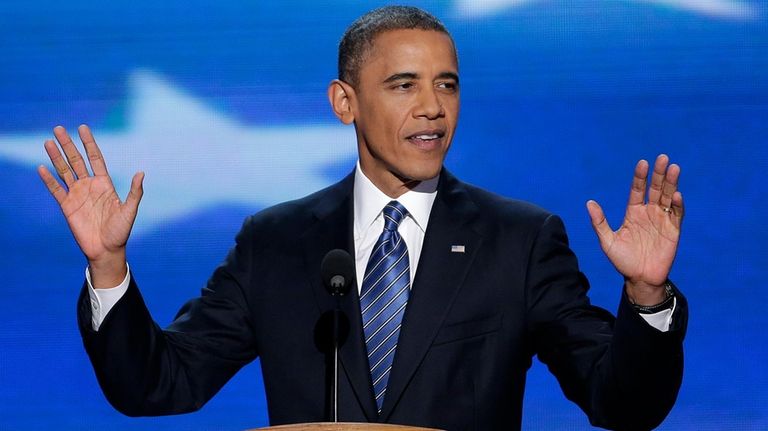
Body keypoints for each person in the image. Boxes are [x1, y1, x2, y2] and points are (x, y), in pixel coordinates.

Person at [38, 6, 687, 431]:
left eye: (448, 84)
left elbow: (620, 403)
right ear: (344, 102)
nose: (433, 107)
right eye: (404, 85)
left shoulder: (519, 240)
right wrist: (108, 266)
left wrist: (648, 295)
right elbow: (158, 384)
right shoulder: (276, 242)